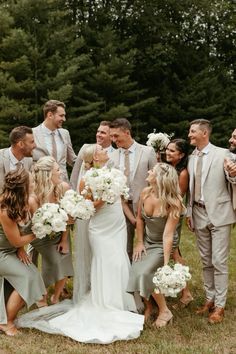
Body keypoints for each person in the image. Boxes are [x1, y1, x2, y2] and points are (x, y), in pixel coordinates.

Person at [18, 145, 144, 343]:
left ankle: (123, 300)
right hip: (100, 227)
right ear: (95, 156)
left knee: (119, 259)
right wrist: (102, 199)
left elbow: (121, 200)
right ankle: (105, 301)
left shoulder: (115, 174)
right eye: (102, 149)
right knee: (105, 260)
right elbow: (85, 207)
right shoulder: (86, 178)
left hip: (116, 223)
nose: (106, 150)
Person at [186, 119, 236, 324]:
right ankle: (209, 299)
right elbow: (190, 187)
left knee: (219, 261)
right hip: (198, 213)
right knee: (206, 260)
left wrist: (233, 173)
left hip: (220, 213)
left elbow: (232, 178)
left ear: (204, 133)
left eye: (192, 131)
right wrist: (189, 212)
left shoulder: (224, 154)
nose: (189, 135)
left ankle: (220, 306)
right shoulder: (190, 158)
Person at [127, 163, 185, 327]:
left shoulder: (173, 202)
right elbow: (139, 219)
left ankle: (165, 311)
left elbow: (168, 235)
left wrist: (167, 263)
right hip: (147, 241)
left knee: (147, 273)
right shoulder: (145, 193)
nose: (148, 171)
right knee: (137, 270)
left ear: (160, 178)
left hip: (163, 244)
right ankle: (149, 307)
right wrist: (139, 243)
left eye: (152, 171)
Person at [0, 168, 46, 336]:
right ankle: (6, 323)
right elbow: (16, 239)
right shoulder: (4, 208)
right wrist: (39, 232)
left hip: (11, 250)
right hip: (1, 253)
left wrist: (20, 249)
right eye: (32, 182)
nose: (34, 184)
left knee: (33, 273)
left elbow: (17, 236)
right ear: (23, 186)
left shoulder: (21, 201)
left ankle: (7, 317)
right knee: (28, 277)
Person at [110, 118, 156, 260]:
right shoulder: (112, 156)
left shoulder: (147, 152)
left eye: (116, 136)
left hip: (145, 206)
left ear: (127, 132)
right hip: (121, 207)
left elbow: (156, 181)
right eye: (111, 136)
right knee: (125, 247)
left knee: (149, 244)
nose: (113, 140)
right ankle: (127, 277)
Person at [29, 156, 74, 304]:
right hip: (40, 235)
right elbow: (36, 224)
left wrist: (64, 240)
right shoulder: (34, 195)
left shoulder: (63, 187)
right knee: (54, 262)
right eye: (57, 169)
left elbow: (68, 217)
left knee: (64, 258)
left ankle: (56, 296)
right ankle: (41, 295)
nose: (60, 172)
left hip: (61, 231)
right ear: (48, 174)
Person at [165, 138, 193, 306]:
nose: (168, 152)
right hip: (164, 213)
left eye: (172, 151)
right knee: (175, 250)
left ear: (181, 155)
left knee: (174, 250)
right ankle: (184, 290)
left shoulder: (182, 173)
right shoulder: (169, 168)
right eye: (167, 149)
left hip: (173, 214)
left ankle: (186, 292)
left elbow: (178, 198)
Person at [32, 100, 76, 183]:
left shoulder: (65, 133)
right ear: (50, 115)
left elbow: (72, 160)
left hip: (63, 185)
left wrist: (90, 162)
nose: (64, 119)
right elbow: (26, 162)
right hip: (40, 186)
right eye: (61, 116)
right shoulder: (32, 134)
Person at [70, 121, 115, 190]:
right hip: (83, 191)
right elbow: (75, 174)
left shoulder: (116, 154)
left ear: (111, 137)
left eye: (103, 132)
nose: (98, 135)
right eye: (98, 131)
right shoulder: (85, 148)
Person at [0, 126, 35, 192]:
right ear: (21, 144)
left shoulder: (29, 161)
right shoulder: (1, 158)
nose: (35, 146)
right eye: (32, 142)